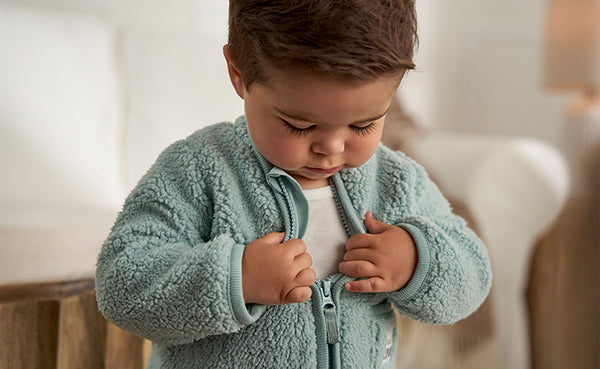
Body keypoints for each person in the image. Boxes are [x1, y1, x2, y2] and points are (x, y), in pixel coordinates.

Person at [95, 1, 492, 368]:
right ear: (239, 73)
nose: (332, 147)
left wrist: (416, 260)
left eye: (363, 124)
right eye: (299, 125)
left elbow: (473, 274)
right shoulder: (198, 169)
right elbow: (122, 281)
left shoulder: (396, 180)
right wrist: (235, 277)